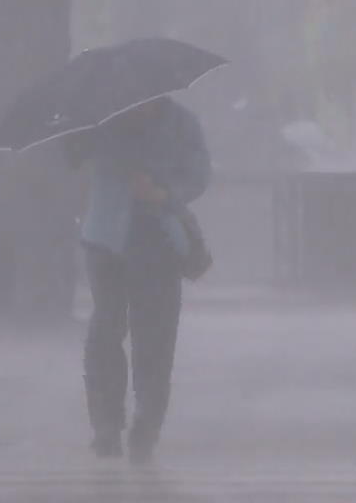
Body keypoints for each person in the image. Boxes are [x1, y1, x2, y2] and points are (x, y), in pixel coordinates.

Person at [63, 95, 211, 464]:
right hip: (106, 238)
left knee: (156, 336)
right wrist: (79, 131)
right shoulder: (103, 117)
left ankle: (147, 423)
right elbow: (72, 158)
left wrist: (162, 193)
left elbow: (198, 176)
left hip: (158, 238)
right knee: (106, 328)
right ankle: (106, 426)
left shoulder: (182, 123)